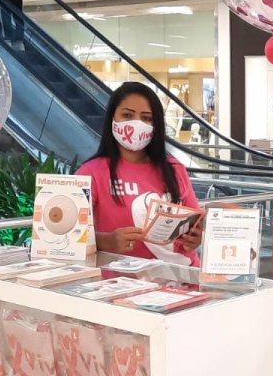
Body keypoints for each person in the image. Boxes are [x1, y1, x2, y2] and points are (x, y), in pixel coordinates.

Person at [76, 82, 202, 265]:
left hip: (182, 276)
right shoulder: (90, 173)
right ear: (112, 118)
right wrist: (106, 241)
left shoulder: (174, 169)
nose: (137, 124)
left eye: (147, 118)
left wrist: (195, 238)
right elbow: (66, 236)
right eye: (127, 115)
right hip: (120, 279)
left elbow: (194, 223)